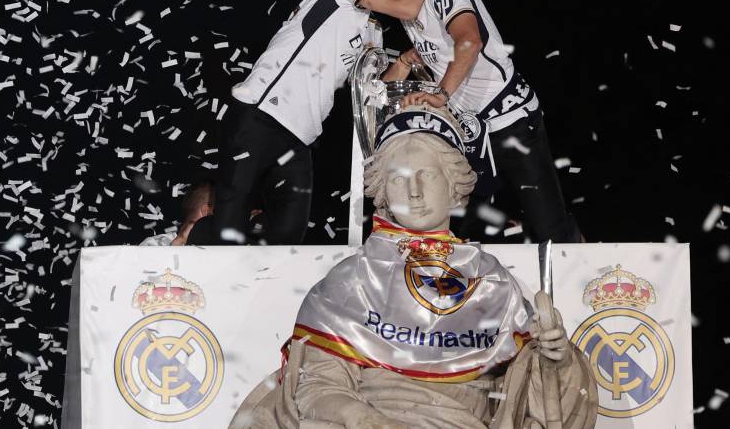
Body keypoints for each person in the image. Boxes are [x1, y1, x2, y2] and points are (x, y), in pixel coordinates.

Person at [229, 106, 597, 428]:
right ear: (384, 192)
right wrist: (367, 420)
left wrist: (557, 360)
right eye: (398, 178)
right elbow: (315, 387)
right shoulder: (353, 278)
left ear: (454, 184)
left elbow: (531, 400)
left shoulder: (491, 279)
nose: (415, 191)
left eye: (427, 174)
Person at [333, 0, 582, 244]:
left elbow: (469, 41)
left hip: (510, 122)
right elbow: (437, 43)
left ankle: (579, 282)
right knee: (463, 233)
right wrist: (411, 60)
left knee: (550, 229)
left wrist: (441, 94)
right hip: (470, 130)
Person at [210, 0, 439, 244]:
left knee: (288, 236)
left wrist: (405, 63)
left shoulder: (374, 30)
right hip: (260, 113)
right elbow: (406, 7)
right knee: (229, 224)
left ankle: (266, 285)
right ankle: (203, 253)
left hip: (299, 137)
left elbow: (372, 94)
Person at [138, 179, 214, 246]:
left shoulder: (219, 247)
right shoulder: (153, 245)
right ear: (206, 212)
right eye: (219, 212)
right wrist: (179, 243)